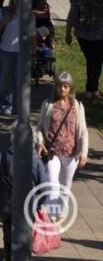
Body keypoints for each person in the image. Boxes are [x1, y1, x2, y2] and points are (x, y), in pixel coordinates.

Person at [35, 73, 90, 219]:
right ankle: (52, 217)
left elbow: (83, 130)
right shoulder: (48, 104)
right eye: (60, 86)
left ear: (70, 87)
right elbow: (40, 127)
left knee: (65, 188)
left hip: (71, 154)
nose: (62, 89)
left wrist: (84, 153)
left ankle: (59, 212)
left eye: (65, 86)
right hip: (52, 153)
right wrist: (40, 142)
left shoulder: (77, 106)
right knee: (52, 185)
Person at [67, 1, 103, 101]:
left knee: (92, 61)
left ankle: (91, 90)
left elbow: (72, 13)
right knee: (96, 61)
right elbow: (72, 13)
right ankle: (92, 91)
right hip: (96, 33)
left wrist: (68, 32)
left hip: (82, 33)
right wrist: (68, 32)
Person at [0, 0, 21, 115]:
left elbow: (32, 35)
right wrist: (4, 21)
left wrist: (33, 52)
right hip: (5, 50)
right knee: (4, 81)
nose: (18, 0)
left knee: (19, 81)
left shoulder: (28, 14)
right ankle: (6, 105)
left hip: (21, 53)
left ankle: (17, 106)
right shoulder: (4, 11)